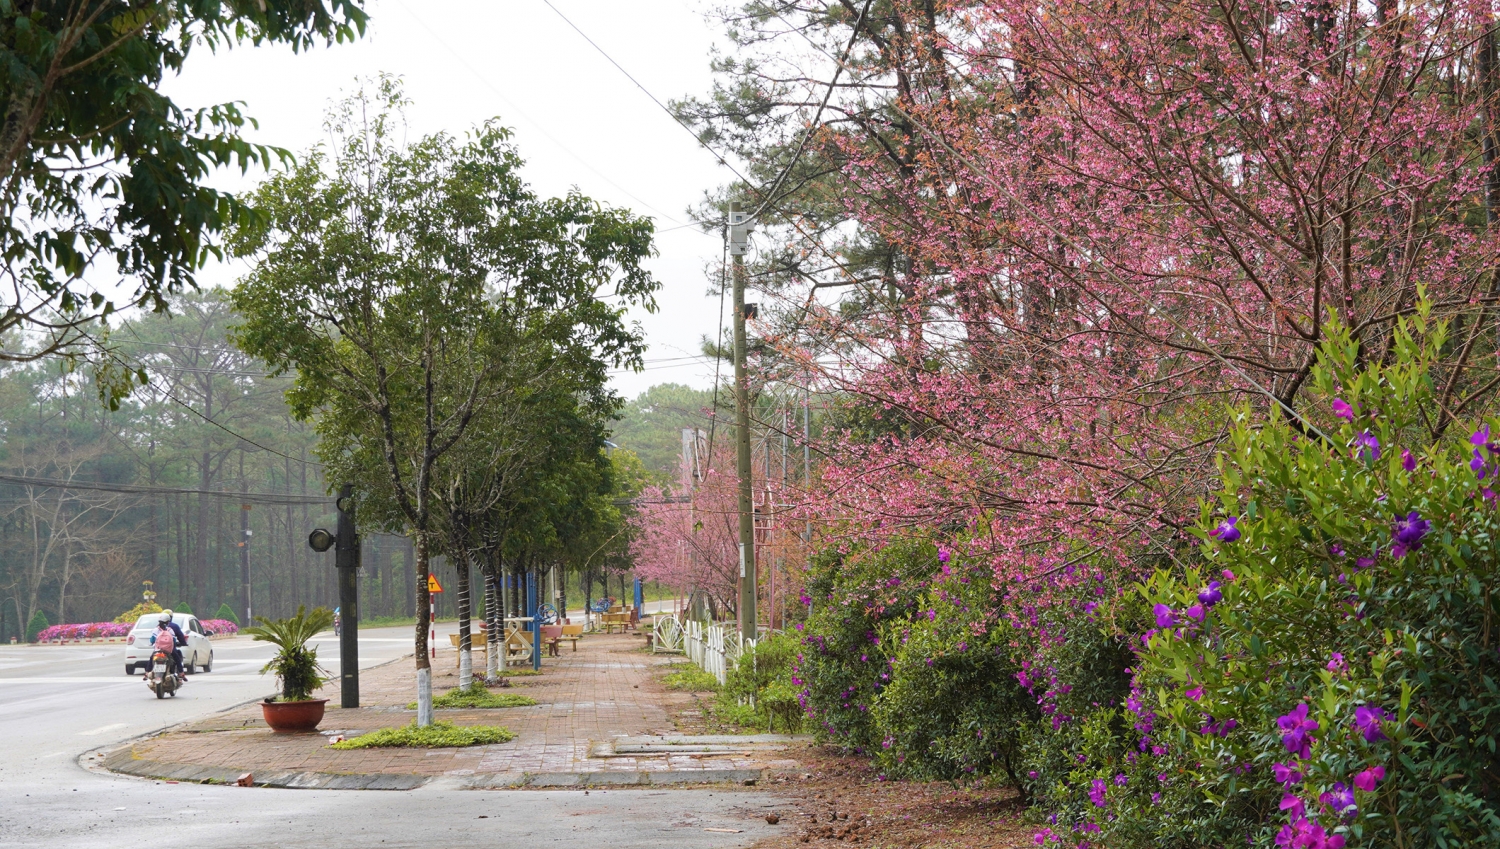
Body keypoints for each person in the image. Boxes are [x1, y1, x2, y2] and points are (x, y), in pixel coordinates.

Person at [148, 610, 189, 678]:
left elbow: (152, 640)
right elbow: (176, 639)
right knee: (177, 658)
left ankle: (147, 673)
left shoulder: (156, 629)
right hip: (170, 650)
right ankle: (181, 673)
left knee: (151, 658)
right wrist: (183, 643)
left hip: (157, 649)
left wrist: (152, 643)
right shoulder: (171, 628)